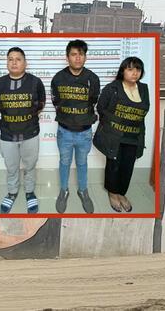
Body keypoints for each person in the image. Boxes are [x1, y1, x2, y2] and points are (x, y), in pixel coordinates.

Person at [93, 57, 150, 213]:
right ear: (122, 71)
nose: (135, 73)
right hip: (115, 136)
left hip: (133, 136)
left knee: (128, 166)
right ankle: (112, 192)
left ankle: (122, 193)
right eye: (130, 69)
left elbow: (142, 114)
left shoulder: (144, 89)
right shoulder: (113, 88)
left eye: (138, 69)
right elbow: (101, 108)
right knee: (113, 165)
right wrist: (114, 124)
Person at [0, 47, 46, 214]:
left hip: (30, 133)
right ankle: (12, 192)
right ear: (6, 63)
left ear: (25, 63)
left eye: (18, 59)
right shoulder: (0, 83)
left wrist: (25, 117)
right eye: (10, 59)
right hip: (7, 134)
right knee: (11, 167)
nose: (14, 62)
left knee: (30, 165)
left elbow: (41, 104)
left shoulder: (35, 82)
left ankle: (30, 193)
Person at [51, 40, 100, 214]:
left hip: (84, 132)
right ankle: (63, 191)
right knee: (64, 162)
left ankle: (83, 191)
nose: (77, 58)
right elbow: (56, 101)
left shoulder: (92, 79)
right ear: (67, 57)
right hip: (64, 131)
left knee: (82, 163)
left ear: (85, 56)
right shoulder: (58, 78)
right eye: (74, 54)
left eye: (81, 54)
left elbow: (93, 101)